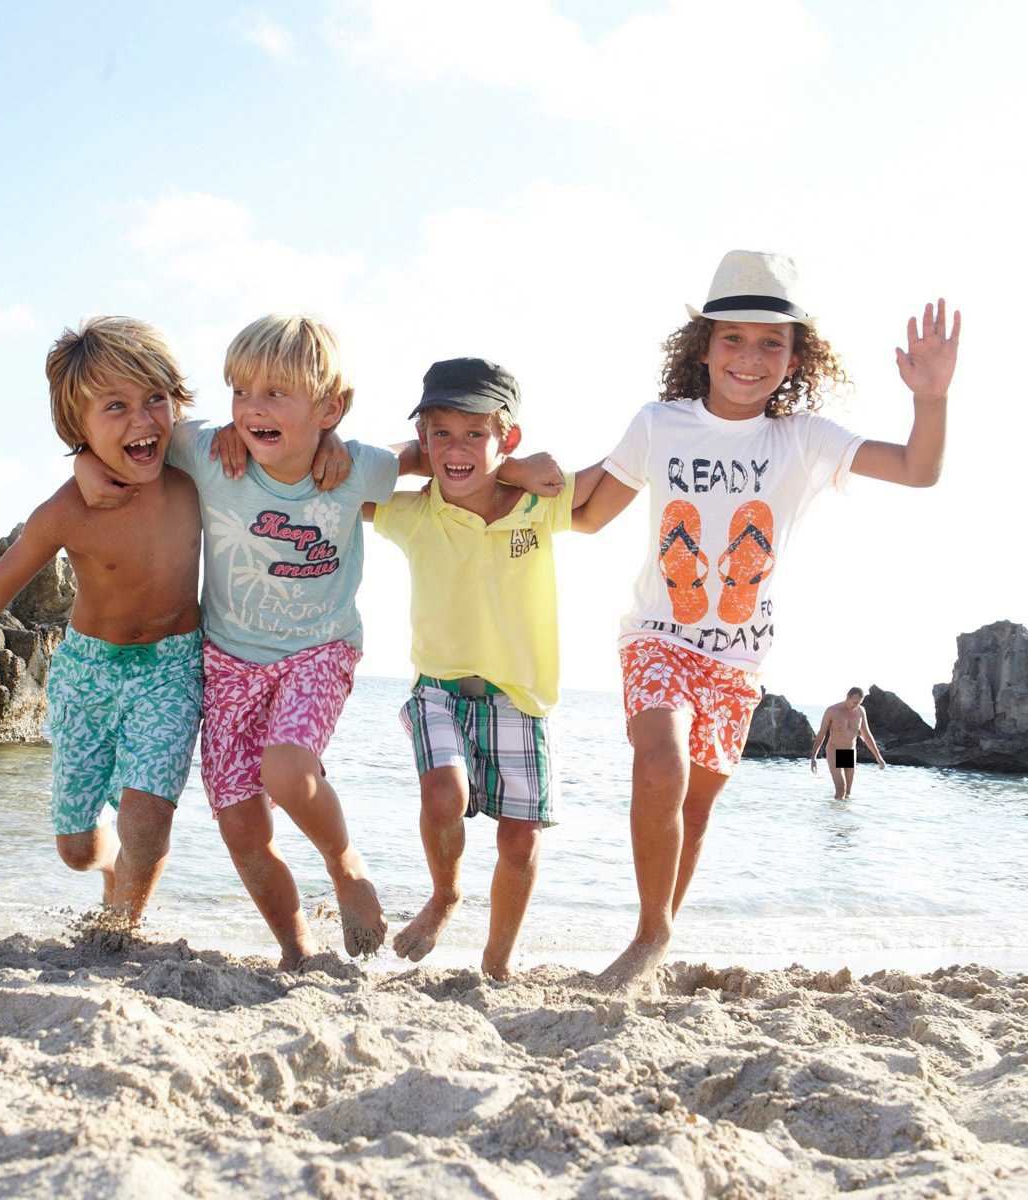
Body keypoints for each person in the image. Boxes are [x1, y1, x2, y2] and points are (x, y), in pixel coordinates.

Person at [571, 249, 959, 989]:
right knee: (660, 764)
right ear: (704, 347)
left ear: (795, 356)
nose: (750, 357)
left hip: (739, 656)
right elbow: (587, 515)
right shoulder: (658, 425)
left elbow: (918, 469)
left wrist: (932, 399)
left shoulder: (803, 439)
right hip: (657, 635)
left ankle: (658, 936)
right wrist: (504, 493)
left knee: (697, 805)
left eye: (770, 342)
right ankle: (650, 934)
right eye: (734, 339)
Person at [74, 315, 423, 967]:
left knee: (286, 772)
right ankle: (297, 950)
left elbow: (428, 455)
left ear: (329, 408)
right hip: (227, 661)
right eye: (241, 392)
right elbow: (133, 437)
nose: (252, 408)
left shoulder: (354, 468)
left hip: (319, 649)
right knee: (239, 824)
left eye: (275, 394)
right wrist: (86, 463)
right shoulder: (210, 452)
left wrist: (338, 440)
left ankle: (345, 866)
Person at [0, 316, 204, 923]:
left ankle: (121, 931)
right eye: (115, 406)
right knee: (77, 849)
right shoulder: (67, 510)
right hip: (87, 671)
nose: (142, 420)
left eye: (155, 399)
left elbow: (270, 447)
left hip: (172, 668)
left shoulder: (196, 472)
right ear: (78, 428)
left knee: (147, 819)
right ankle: (111, 870)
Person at [373, 358, 604, 980]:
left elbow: (609, 479)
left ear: (509, 437)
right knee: (443, 794)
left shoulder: (538, 507)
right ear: (422, 439)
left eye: (476, 433)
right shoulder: (414, 513)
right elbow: (343, 471)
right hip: (438, 689)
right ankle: (445, 895)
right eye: (441, 433)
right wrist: (421, 459)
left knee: (520, 839)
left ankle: (497, 962)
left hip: (520, 697)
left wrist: (519, 471)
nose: (457, 448)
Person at [811, 687, 885, 798]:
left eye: (859, 703)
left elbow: (866, 735)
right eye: (854, 703)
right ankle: (832, 809)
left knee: (847, 794)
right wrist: (814, 757)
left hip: (849, 752)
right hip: (835, 750)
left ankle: (839, 809)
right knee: (841, 789)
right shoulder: (832, 711)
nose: (856, 706)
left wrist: (878, 757)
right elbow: (821, 734)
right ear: (848, 697)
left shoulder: (860, 711)